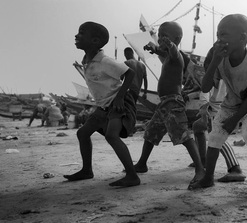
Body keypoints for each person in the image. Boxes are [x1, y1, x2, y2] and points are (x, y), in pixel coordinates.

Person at [188, 14, 247, 202]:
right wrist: (215, 61)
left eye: (223, 34)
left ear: (243, 38)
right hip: (232, 102)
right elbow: (206, 87)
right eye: (218, 34)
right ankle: (208, 177)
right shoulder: (221, 59)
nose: (219, 39)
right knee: (215, 136)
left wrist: (234, 120)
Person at [63, 21, 140, 187]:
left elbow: (130, 73)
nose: (77, 35)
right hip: (104, 106)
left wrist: (119, 98)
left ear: (95, 41)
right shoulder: (87, 60)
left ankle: (132, 176)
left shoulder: (105, 61)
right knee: (83, 133)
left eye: (82, 33)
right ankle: (87, 170)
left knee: (112, 136)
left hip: (118, 103)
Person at [135, 21, 205, 186]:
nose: (160, 38)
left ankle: (200, 168)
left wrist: (171, 45)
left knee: (183, 135)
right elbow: (165, 53)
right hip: (164, 104)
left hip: (173, 103)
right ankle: (142, 163)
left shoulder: (177, 56)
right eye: (159, 35)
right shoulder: (167, 57)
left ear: (177, 39)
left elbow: (173, 51)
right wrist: (155, 49)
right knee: (150, 133)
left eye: (164, 35)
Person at [190, 46, 246, 183]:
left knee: (217, 139)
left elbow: (204, 96)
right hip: (223, 110)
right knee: (198, 128)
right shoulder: (228, 75)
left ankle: (235, 168)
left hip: (214, 112)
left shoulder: (212, 76)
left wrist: (204, 112)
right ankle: (202, 159)